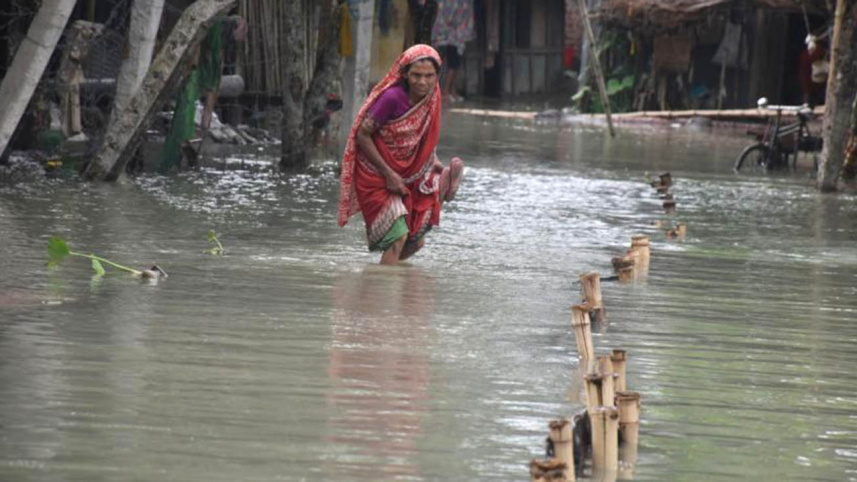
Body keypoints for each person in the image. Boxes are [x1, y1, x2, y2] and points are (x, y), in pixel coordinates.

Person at [338, 44, 464, 265]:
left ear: (437, 76)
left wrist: (432, 160)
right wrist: (388, 174)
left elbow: (423, 136)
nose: (422, 82)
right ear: (405, 74)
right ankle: (384, 292)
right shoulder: (392, 98)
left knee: (415, 242)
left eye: (429, 76)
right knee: (398, 237)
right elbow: (363, 135)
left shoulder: (432, 98)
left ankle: (384, 287)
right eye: (416, 75)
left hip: (409, 171)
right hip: (375, 173)